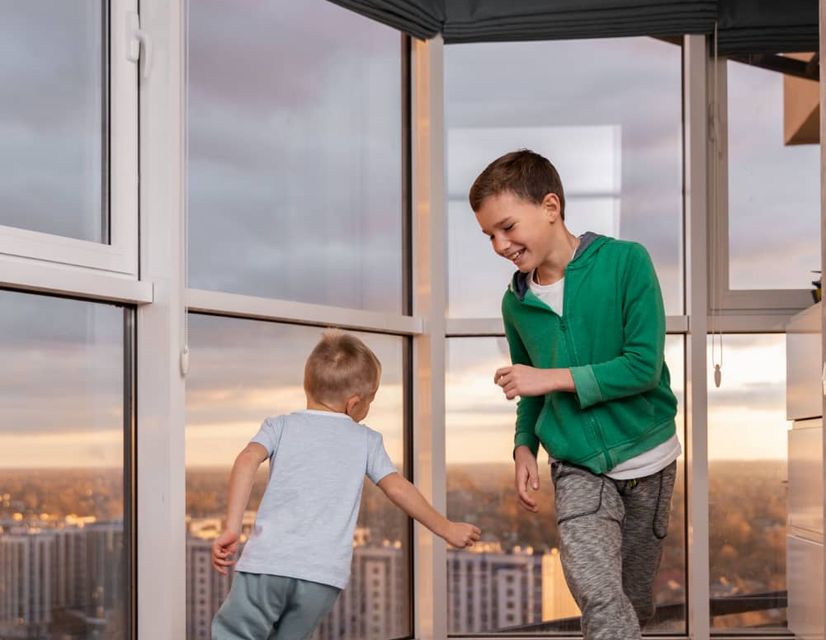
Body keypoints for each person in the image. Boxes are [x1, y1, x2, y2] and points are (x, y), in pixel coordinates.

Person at [469, 149, 680, 640]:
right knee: (600, 598)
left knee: (634, 600)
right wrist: (525, 445)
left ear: (550, 206)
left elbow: (642, 367)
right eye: (489, 236)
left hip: (650, 458)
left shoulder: (627, 262)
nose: (500, 245)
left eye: (506, 227)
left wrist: (550, 377)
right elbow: (531, 391)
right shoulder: (516, 302)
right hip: (577, 467)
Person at [210, 329, 480, 640]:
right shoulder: (366, 440)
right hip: (322, 578)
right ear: (354, 404)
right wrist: (446, 528)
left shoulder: (280, 425)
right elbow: (398, 488)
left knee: (234, 635)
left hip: (268, 565)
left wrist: (232, 527)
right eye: (372, 399)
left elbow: (246, 460)